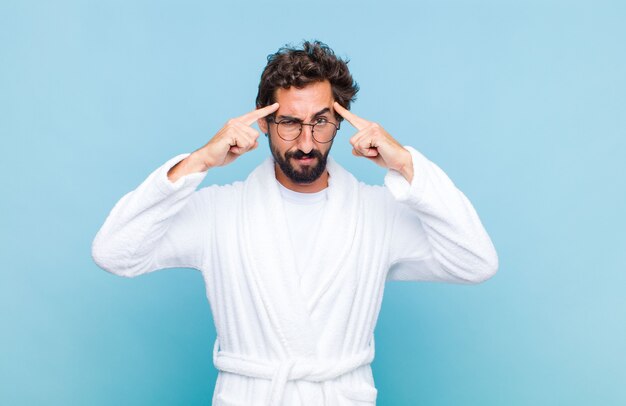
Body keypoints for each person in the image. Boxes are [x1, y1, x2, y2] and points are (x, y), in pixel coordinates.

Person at [92, 40, 498, 406]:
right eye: (289, 122)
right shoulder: (219, 213)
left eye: (320, 122)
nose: (306, 143)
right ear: (264, 123)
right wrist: (199, 161)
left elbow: (475, 263)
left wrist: (408, 165)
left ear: (341, 123)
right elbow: (114, 252)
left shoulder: (377, 214)